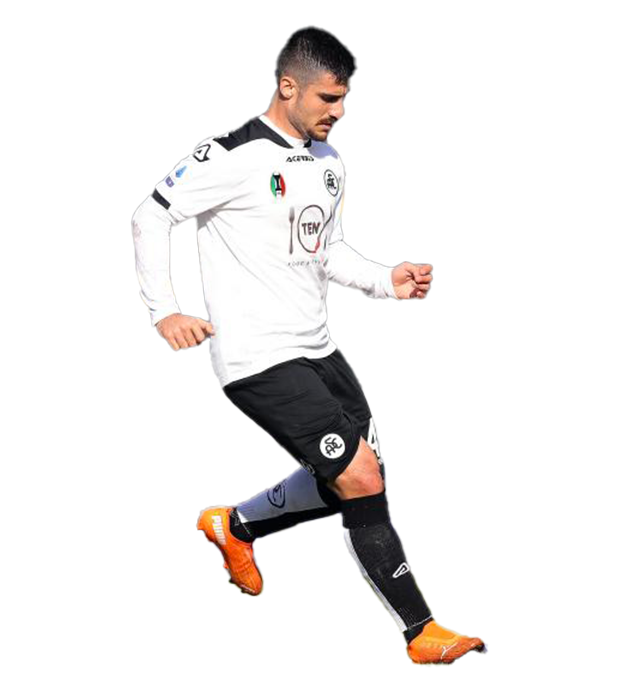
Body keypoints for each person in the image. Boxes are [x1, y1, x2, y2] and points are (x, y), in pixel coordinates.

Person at [132, 26, 482, 665]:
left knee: (360, 474)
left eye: (344, 98)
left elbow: (327, 249)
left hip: (318, 349)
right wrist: (165, 312)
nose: (338, 111)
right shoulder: (230, 156)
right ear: (288, 86)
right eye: (327, 97)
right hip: (258, 358)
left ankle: (234, 525)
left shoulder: (326, 162)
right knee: (359, 475)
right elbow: (151, 216)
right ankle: (421, 632)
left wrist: (386, 280)